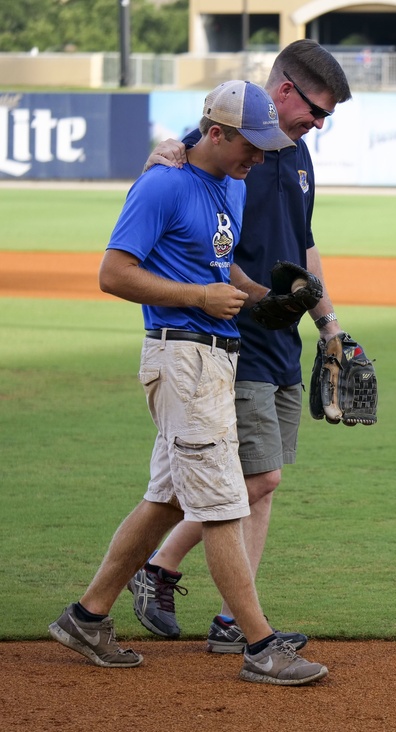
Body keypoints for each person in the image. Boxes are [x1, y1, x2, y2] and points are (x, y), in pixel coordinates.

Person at [48, 80, 328, 686]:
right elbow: (113, 273)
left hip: (214, 360)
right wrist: (197, 298)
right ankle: (259, 645)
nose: (259, 155)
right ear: (217, 133)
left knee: (169, 500)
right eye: (249, 144)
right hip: (179, 358)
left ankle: (87, 616)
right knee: (225, 500)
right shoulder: (163, 184)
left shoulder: (231, 182)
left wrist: (266, 299)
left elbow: (217, 262)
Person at [127, 40, 354, 654]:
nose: (320, 123)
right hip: (228, 338)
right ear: (285, 92)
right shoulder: (221, 151)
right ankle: (183, 583)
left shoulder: (299, 157)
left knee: (253, 482)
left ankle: (181, 586)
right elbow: (177, 174)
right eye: (317, 109)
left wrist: (327, 322)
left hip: (279, 335)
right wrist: (166, 152)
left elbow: (304, 245)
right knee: (251, 478)